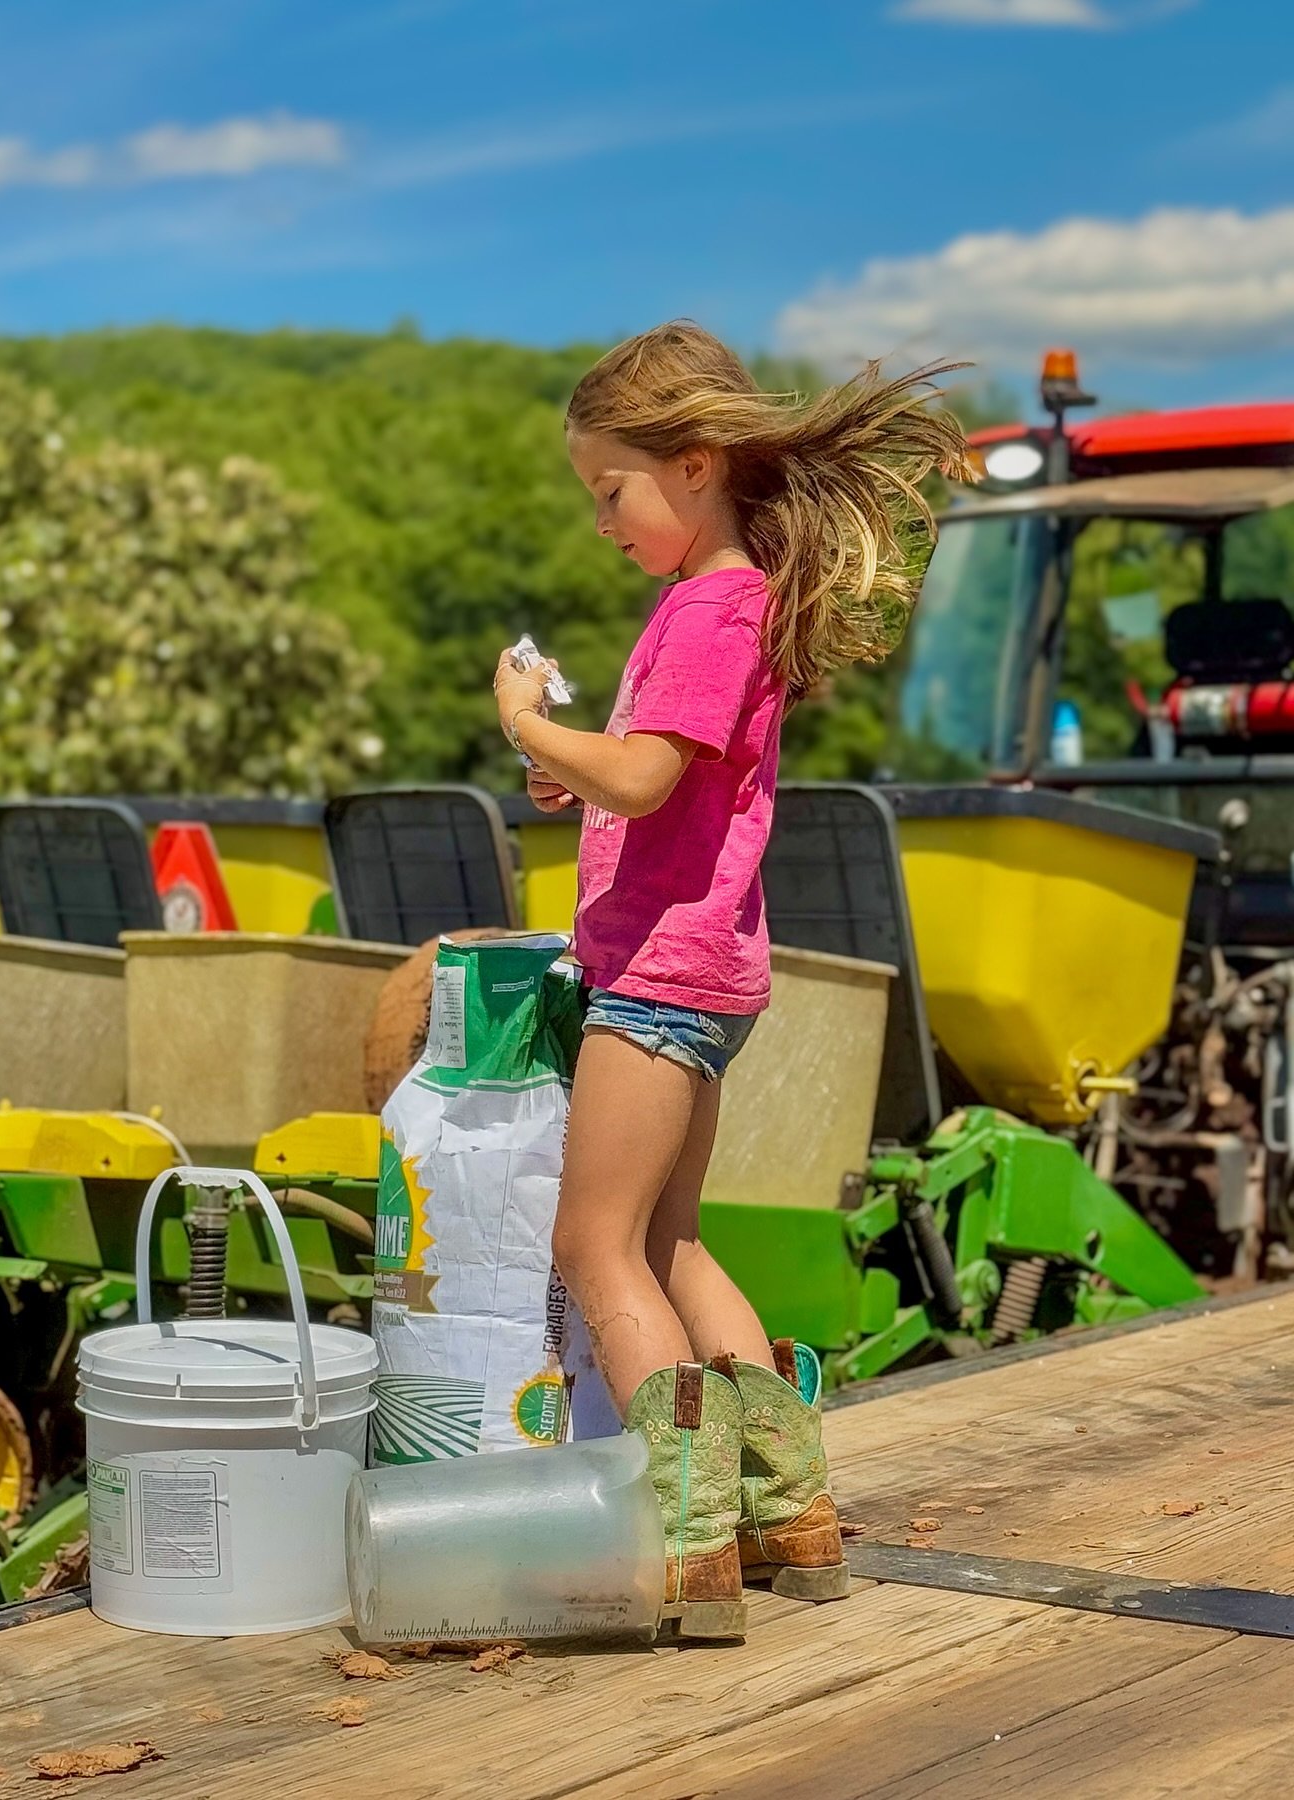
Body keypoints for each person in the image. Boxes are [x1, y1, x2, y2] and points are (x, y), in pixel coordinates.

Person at [494, 321, 973, 1639]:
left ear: (695, 463)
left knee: (593, 1243)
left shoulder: (712, 606)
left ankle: (684, 1539)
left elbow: (645, 777)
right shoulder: (731, 602)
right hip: (705, 972)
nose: (603, 522)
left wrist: (530, 723)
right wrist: (571, 771)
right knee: (672, 1242)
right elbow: (658, 783)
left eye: (612, 490)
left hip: (656, 977)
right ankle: (789, 1512)